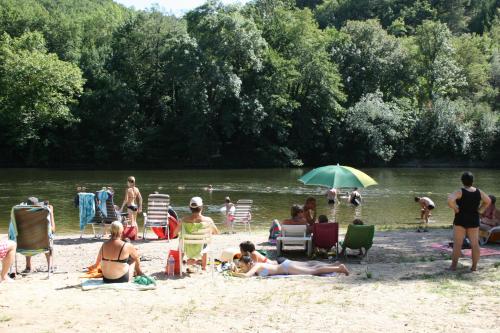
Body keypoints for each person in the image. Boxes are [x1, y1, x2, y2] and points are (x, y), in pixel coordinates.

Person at [447, 171, 491, 272]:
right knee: (475, 244)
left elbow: (449, 200)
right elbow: (488, 201)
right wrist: (480, 210)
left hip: (461, 218)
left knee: (457, 244)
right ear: (472, 181)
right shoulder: (478, 192)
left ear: (462, 181)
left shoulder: (460, 191)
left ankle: (453, 267)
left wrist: (455, 208)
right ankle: (474, 267)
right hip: (473, 219)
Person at [173, 197, 219, 271]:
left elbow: (174, 233)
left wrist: (179, 225)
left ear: (190, 207)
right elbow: (216, 232)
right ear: (201, 207)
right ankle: (204, 267)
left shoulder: (183, 220)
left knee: (181, 243)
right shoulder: (208, 220)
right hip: (201, 247)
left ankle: (179, 266)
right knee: (205, 242)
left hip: (186, 247)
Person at [233, 255, 349, 277]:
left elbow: (246, 275)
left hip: (286, 268)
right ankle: (335, 266)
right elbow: (265, 273)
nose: (241, 268)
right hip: (285, 266)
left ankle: (339, 268)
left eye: (242, 266)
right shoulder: (257, 267)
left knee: (312, 271)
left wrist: (235, 273)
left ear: (249, 264)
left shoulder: (256, 266)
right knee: (311, 268)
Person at [24, 197, 56, 273]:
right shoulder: (43, 215)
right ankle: (50, 266)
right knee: (47, 239)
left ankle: (28, 266)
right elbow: (53, 230)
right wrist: (51, 213)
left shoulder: (23, 216)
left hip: (26, 246)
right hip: (43, 244)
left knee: (27, 236)